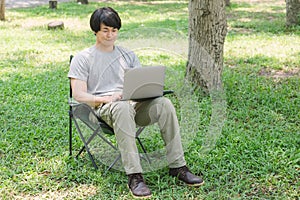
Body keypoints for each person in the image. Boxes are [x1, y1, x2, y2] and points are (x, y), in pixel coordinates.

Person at [68, 7, 204, 199]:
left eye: (114, 30)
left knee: (164, 103)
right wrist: (107, 98)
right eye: (105, 30)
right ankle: (135, 176)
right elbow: (79, 95)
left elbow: (138, 85)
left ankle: (178, 166)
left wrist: (143, 93)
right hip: (103, 108)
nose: (110, 35)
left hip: (131, 105)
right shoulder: (83, 58)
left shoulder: (128, 55)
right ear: (95, 31)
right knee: (122, 107)